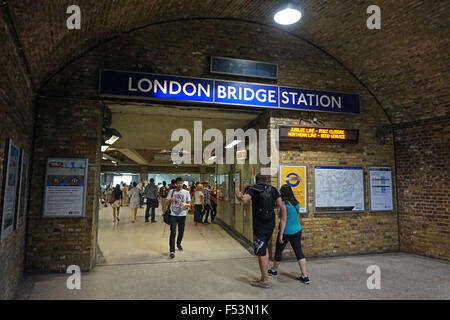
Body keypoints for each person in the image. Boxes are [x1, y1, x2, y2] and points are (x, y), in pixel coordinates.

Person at [236, 174, 286, 289]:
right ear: (266, 180)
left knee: (260, 250)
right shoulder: (273, 189)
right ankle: (264, 276)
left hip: (259, 224)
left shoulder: (253, 189)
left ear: (256, 180)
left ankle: (264, 280)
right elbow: (279, 205)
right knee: (265, 247)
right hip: (270, 223)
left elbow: (244, 200)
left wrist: (239, 195)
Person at [268, 185, 310, 284]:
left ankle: (274, 270)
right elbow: (295, 217)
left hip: (286, 230)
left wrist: (281, 234)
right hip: (297, 229)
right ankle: (305, 276)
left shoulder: (283, 204)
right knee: (299, 251)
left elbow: (283, 219)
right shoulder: (296, 203)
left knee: (279, 250)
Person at [166, 177, 191, 259]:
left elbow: (189, 204)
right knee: (173, 232)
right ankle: (172, 251)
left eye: (181, 183)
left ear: (183, 183)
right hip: (173, 214)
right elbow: (166, 202)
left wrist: (185, 204)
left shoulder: (186, 192)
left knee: (181, 231)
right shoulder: (171, 191)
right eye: (179, 183)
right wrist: (171, 200)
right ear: (175, 184)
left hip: (182, 215)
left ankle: (178, 243)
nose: (180, 184)